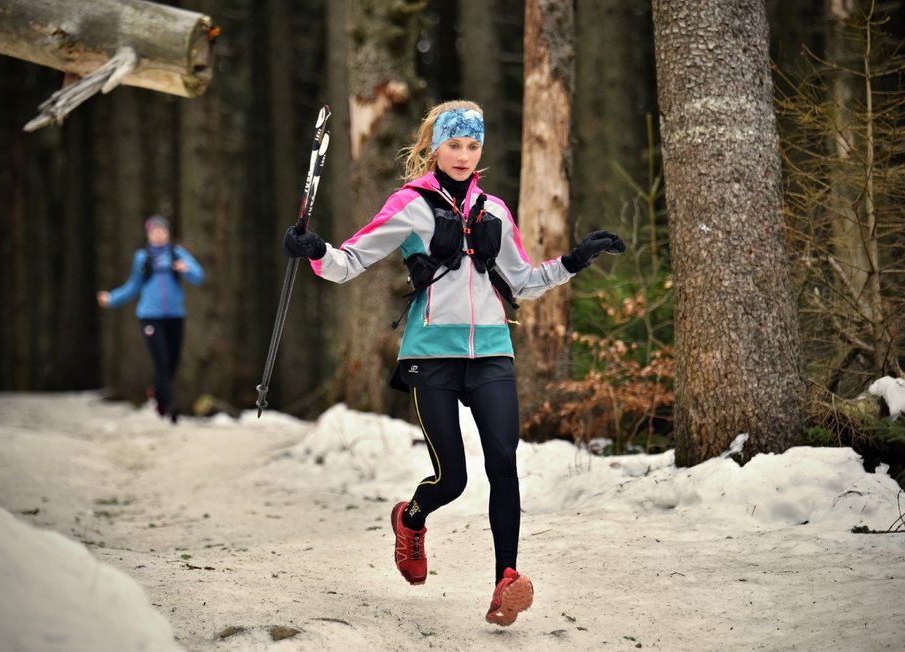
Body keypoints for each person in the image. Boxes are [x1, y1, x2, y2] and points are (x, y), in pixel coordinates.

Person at [283, 100, 624, 626]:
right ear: (434, 147)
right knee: (454, 480)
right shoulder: (410, 203)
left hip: (490, 351)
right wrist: (314, 249)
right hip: (431, 356)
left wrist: (574, 261)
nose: (464, 155)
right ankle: (411, 519)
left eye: (472, 146)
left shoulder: (494, 210)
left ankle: (504, 581)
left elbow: (524, 281)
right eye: (454, 145)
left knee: (504, 461)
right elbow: (348, 262)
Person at [97, 215, 204, 423]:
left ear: (167, 233)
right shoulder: (142, 258)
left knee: (173, 362)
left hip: (175, 316)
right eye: (154, 231)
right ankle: (169, 405)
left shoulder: (177, 254)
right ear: (148, 235)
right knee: (162, 361)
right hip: (150, 317)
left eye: (162, 231)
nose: (158, 234)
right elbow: (133, 286)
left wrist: (186, 269)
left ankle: (158, 393)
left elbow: (199, 277)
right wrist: (111, 299)